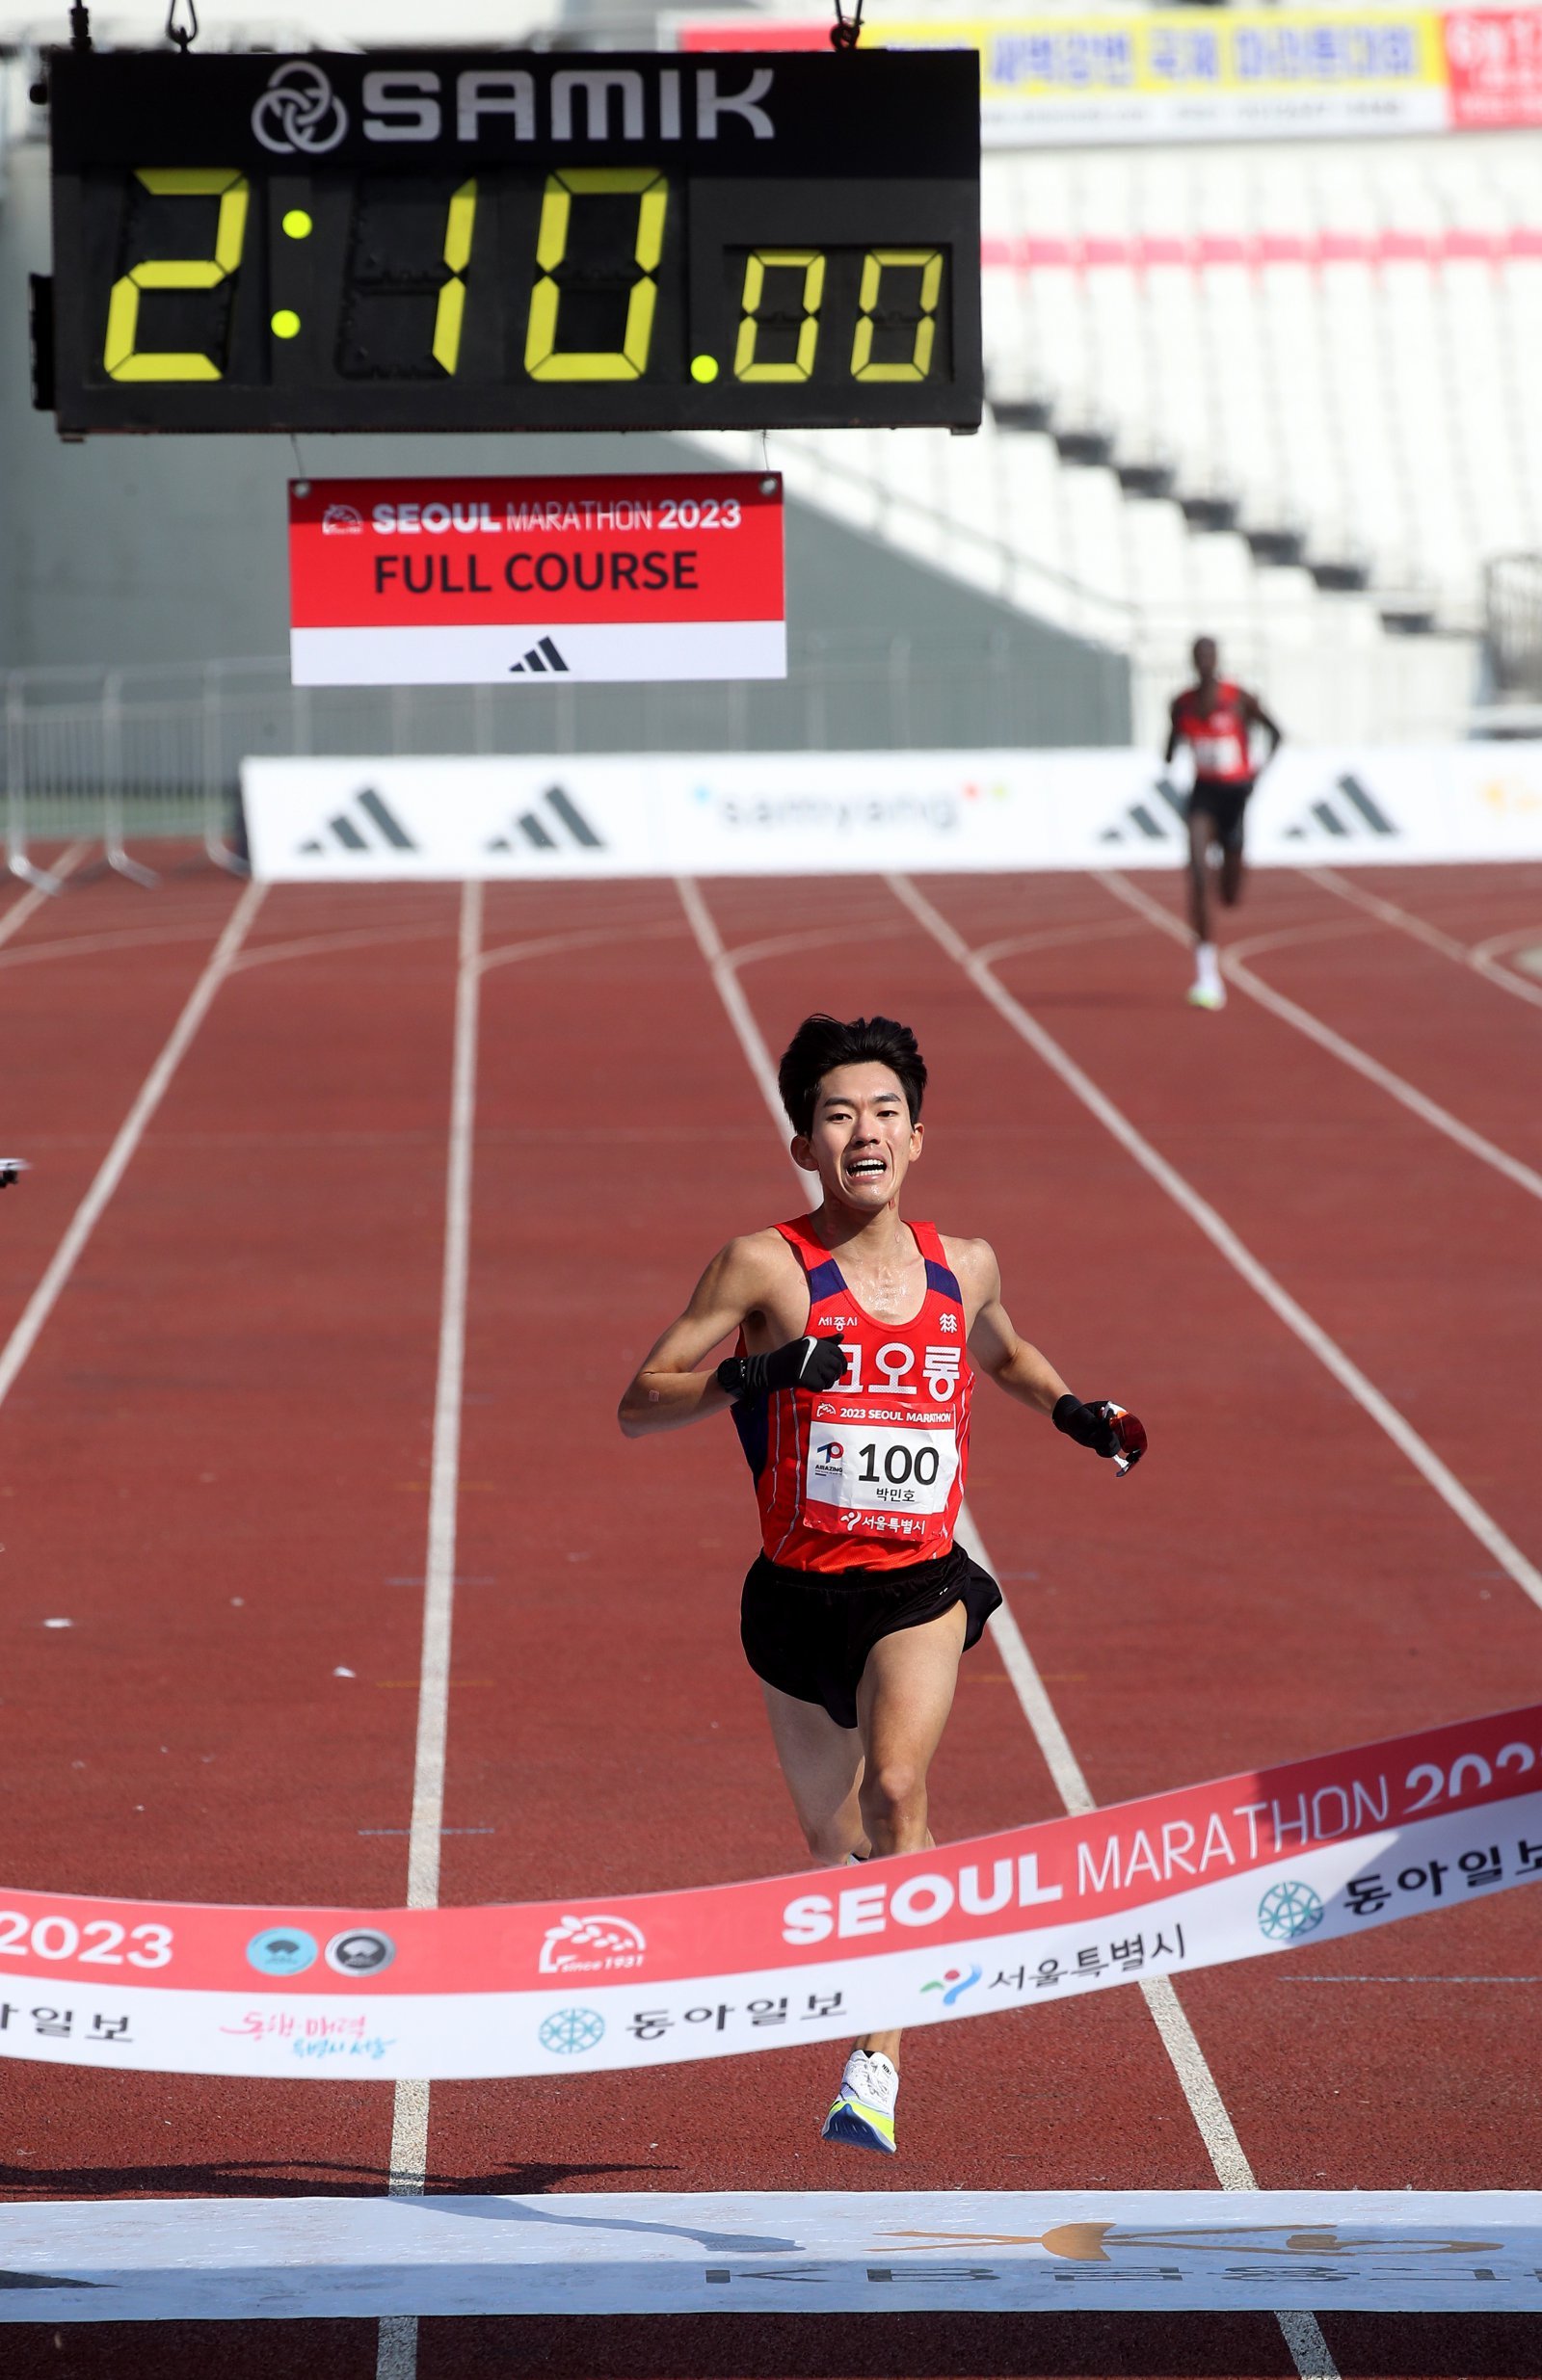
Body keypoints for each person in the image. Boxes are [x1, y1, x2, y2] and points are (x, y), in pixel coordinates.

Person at [618, 1014, 1146, 2156]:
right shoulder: (764, 1264)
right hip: (796, 1596)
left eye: (885, 1112)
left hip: (919, 1586)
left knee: (898, 1788)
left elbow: (997, 1350)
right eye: (838, 1115)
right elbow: (641, 1396)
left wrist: (1074, 1411)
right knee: (834, 1838)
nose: (865, 1131)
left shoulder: (968, 1263)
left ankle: (876, 2064)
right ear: (805, 1144)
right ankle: (892, 1933)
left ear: (917, 1138)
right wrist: (756, 1371)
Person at [1164, 637, 1284, 1011]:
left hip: (1235, 796)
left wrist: (1256, 775)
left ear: (1216, 660)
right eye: (1197, 656)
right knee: (1198, 875)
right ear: (1191, 662)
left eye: (1208, 656)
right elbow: (1169, 749)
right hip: (1203, 794)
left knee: (1230, 895)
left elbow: (1277, 733)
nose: (1202, 662)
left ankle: (1224, 885)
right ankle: (1207, 975)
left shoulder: (1238, 698)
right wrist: (1175, 745)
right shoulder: (1181, 704)